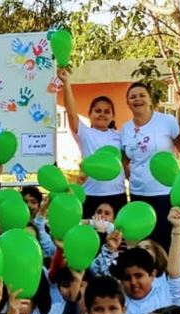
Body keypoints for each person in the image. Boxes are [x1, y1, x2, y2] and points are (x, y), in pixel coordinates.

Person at [120, 82, 180, 249]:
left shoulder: (166, 121)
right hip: (138, 195)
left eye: (142, 95)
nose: (137, 99)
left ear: (150, 99)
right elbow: (125, 160)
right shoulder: (125, 129)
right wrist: (133, 179)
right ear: (127, 102)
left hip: (165, 194)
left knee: (167, 241)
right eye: (133, 97)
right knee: (145, 244)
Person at [60, 67, 127, 218]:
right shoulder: (85, 133)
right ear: (90, 114)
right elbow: (71, 112)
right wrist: (66, 83)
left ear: (112, 116)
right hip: (90, 194)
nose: (102, 114)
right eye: (98, 111)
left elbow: (125, 162)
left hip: (117, 194)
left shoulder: (119, 136)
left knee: (116, 239)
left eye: (106, 111)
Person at [113, 208, 180, 314]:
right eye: (127, 278)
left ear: (152, 275)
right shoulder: (119, 297)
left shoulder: (166, 292)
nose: (133, 282)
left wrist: (177, 229)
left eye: (139, 276)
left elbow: (174, 271)